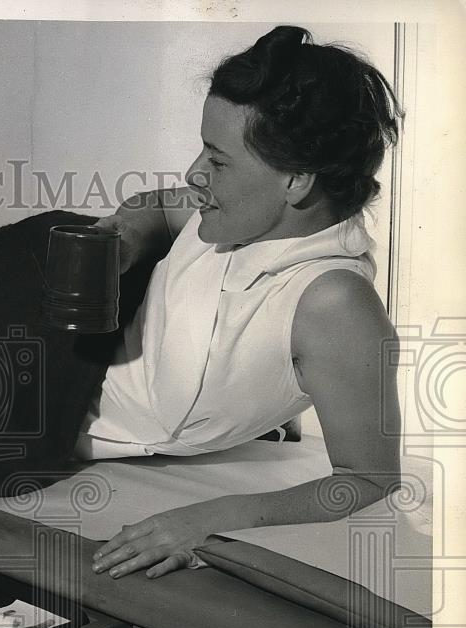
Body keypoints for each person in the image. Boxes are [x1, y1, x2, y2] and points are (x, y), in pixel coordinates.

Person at [85, 26, 403, 578]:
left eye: (219, 160)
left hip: (57, 408)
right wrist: (127, 236)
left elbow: (370, 481)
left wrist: (209, 517)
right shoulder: (237, 215)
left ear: (297, 181)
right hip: (67, 349)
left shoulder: (333, 303)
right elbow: (159, 208)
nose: (194, 173)